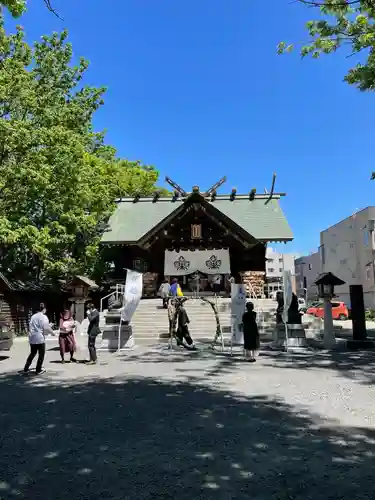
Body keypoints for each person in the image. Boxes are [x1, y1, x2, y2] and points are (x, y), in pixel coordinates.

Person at [23, 302, 50, 375]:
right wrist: (51, 329)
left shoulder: (33, 316)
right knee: (41, 355)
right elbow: (46, 329)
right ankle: (38, 369)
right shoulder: (44, 317)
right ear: (44, 309)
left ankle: (26, 368)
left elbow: (30, 326)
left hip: (32, 337)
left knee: (32, 353)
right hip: (40, 338)